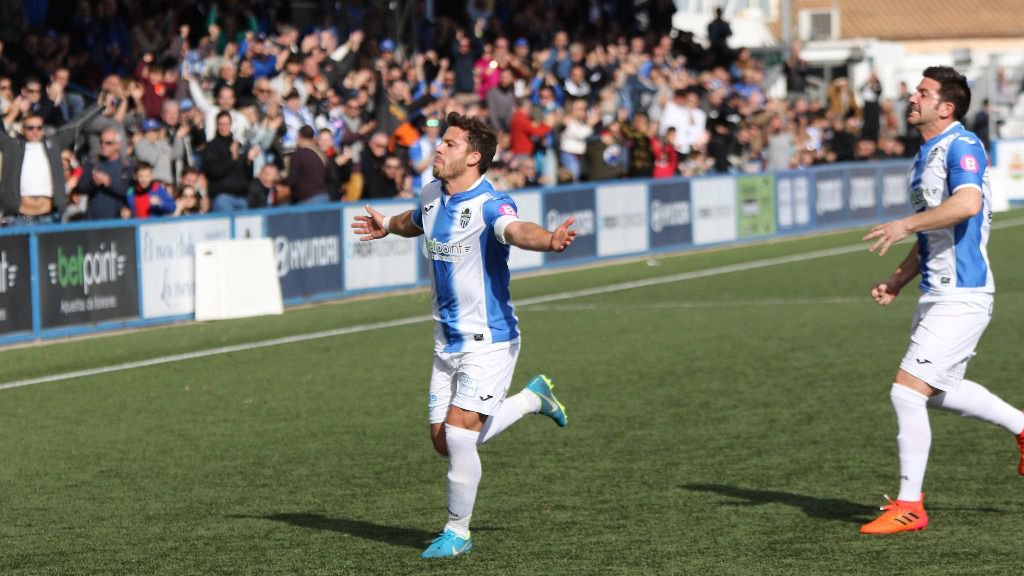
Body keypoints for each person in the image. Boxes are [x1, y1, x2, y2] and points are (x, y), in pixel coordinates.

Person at [351, 112, 576, 559]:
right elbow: (417, 219)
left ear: (473, 157)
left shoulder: (491, 204)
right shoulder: (432, 193)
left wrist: (548, 239)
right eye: (441, 141)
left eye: (449, 144)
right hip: (446, 342)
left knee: (458, 435)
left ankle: (458, 532)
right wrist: (387, 226)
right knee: (444, 442)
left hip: (489, 341)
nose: (438, 147)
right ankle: (532, 399)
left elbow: (516, 229)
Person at [859, 66, 1024, 535]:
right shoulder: (924, 155)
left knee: (907, 391)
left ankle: (910, 506)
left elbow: (967, 204)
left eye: (923, 92)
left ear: (946, 107)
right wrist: (897, 280)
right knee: (935, 390)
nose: (913, 98)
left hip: (963, 293)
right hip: (937, 292)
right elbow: (935, 231)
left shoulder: (961, 144)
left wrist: (905, 224)